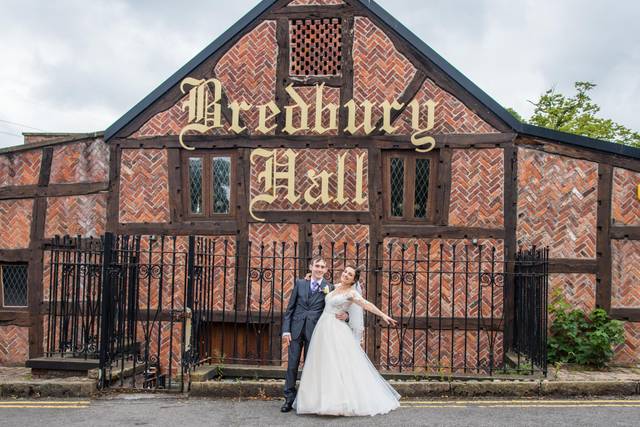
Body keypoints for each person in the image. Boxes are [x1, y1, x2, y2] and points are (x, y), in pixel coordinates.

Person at [294, 266, 401, 417]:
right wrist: (310, 275)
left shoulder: (352, 293)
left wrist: (383, 315)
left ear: (353, 280)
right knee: (323, 363)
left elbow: (366, 304)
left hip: (337, 330)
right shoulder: (333, 287)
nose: (346, 275)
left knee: (338, 364)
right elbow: (319, 283)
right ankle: (319, 401)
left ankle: (338, 402)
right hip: (323, 329)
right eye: (345, 272)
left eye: (350, 274)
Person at [280, 257, 348, 413]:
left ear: (325, 270)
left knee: (312, 368)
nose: (319, 269)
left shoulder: (329, 287)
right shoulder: (300, 283)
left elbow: (336, 306)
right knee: (292, 366)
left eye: (322, 267)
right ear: (311, 267)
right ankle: (288, 399)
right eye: (317, 266)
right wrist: (286, 330)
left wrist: (347, 316)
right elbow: (290, 309)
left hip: (316, 332)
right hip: (296, 331)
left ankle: (307, 400)